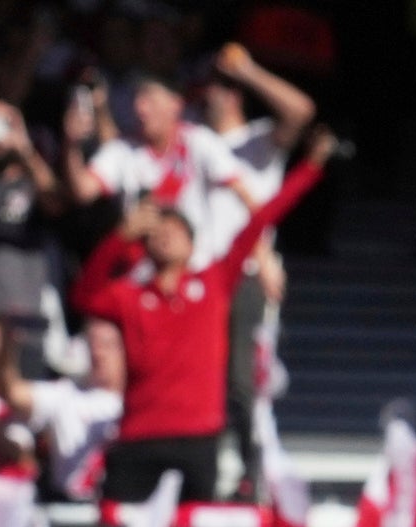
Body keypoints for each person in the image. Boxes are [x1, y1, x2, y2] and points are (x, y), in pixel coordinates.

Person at [71, 127, 336, 505]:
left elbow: (260, 220)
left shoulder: (214, 283)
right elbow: (85, 295)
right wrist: (120, 237)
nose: (165, 236)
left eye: (175, 230)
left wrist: (310, 168)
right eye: (157, 232)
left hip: (197, 438)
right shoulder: (129, 296)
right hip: (137, 436)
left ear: (192, 243)